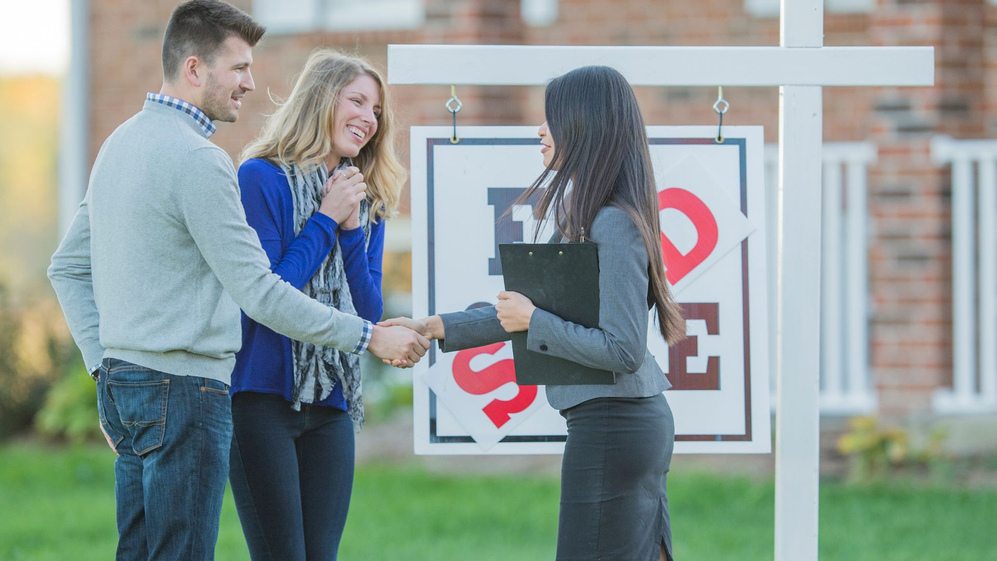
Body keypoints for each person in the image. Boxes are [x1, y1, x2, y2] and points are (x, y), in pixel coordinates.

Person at [47, 2, 427, 559]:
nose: (252, 83)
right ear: (195, 69)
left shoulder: (119, 144)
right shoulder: (209, 163)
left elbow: (66, 267)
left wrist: (105, 369)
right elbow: (260, 292)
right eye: (240, 68)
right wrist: (369, 334)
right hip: (192, 389)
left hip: (134, 384)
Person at [383, 65, 686, 561]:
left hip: (615, 424)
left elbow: (624, 349)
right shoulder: (594, 216)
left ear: (585, 127)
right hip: (617, 423)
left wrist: (535, 322)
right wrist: (433, 327)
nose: (539, 131)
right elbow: (524, 312)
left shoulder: (613, 223)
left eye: (552, 120)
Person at [226, 49, 404, 560]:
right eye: (357, 101)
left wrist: (351, 229)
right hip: (260, 398)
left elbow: (368, 312)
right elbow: (269, 294)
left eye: (376, 111)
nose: (369, 119)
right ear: (322, 99)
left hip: (330, 401)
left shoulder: (365, 199)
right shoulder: (260, 178)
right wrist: (325, 220)